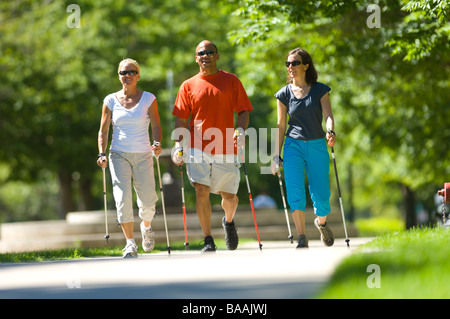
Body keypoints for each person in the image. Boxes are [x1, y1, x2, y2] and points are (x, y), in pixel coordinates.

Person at [171, 40, 253, 252]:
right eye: (201, 53)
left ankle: (228, 222)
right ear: (196, 58)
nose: (205, 55)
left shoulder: (231, 81)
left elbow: (244, 110)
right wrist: (179, 145)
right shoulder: (187, 85)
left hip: (225, 145)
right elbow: (180, 119)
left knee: (230, 197)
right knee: (201, 190)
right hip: (196, 146)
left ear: (217, 56)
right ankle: (208, 239)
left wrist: (241, 130)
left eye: (210, 52)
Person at [97, 58, 162, 258]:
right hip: (118, 154)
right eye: (124, 72)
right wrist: (101, 152)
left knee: (148, 201)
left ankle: (146, 226)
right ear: (119, 76)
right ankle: (130, 243)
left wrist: (157, 143)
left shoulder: (149, 98)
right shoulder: (109, 100)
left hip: (143, 154)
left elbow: (157, 126)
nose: (127, 76)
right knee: (122, 198)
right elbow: (103, 130)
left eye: (132, 72)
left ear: (138, 75)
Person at [272, 48, 336, 248]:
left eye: (295, 63)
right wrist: (276, 155)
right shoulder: (283, 94)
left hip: (317, 144)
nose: (290, 67)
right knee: (295, 192)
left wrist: (330, 131)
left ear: (306, 65)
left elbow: (328, 116)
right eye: (288, 64)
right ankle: (301, 236)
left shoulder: (320, 90)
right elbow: (280, 125)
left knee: (321, 194)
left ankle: (321, 223)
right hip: (292, 146)